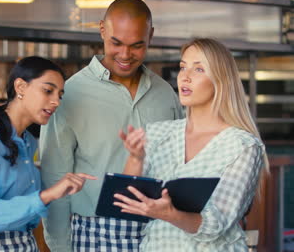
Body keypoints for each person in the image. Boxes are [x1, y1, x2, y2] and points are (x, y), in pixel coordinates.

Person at [40, 0, 184, 252]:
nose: (125, 55)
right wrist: (60, 247)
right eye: (116, 43)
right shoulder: (70, 93)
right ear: (102, 31)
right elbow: (54, 176)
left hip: (161, 230)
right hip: (95, 232)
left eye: (137, 45)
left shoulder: (166, 94)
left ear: (151, 36)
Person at [114, 38, 268, 251]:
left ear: (220, 80)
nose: (184, 77)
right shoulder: (158, 133)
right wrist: (135, 158)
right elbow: (127, 202)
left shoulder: (242, 146)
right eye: (183, 67)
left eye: (198, 69)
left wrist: (170, 214)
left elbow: (217, 224)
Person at [0, 56, 96, 252]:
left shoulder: (28, 141)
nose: (56, 102)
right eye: (48, 91)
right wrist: (46, 195)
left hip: (27, 244)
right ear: (20, 87)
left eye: (60, 95)